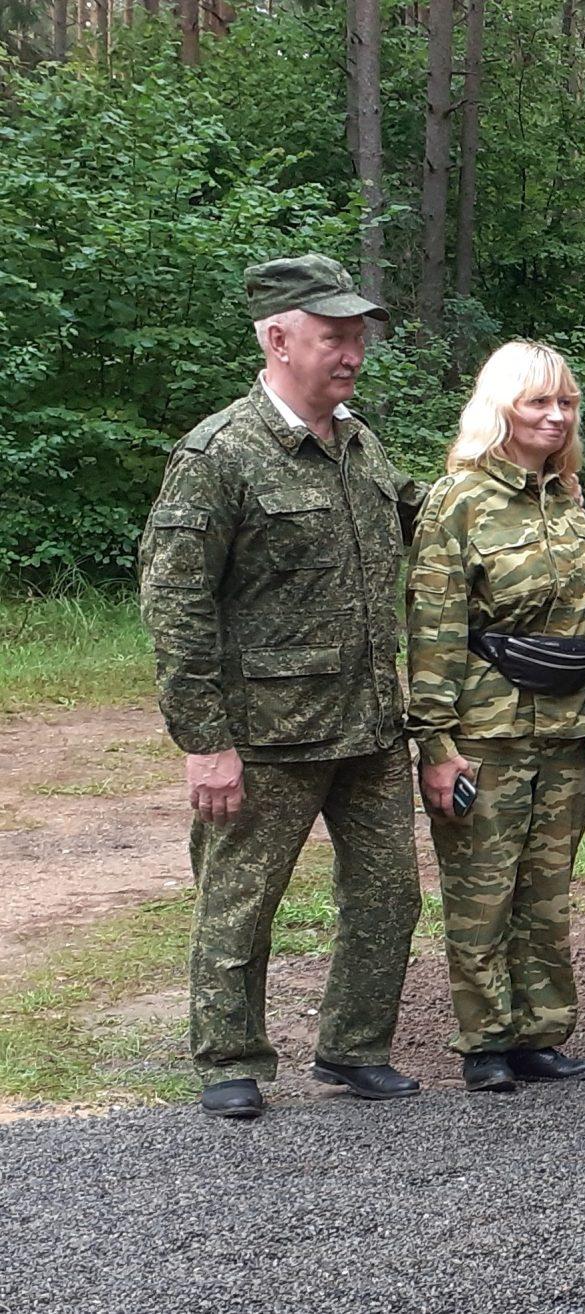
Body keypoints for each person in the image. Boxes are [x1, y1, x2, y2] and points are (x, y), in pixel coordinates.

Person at [137, 253, 424, 1120]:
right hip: (267, 733)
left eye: (356, 337)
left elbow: (429, 520)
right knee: (241, 901)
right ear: (276, 337)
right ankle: (230, 1057)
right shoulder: (220, 454)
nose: (351, 353)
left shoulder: (360, 443)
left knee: (388, 896)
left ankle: (354, 1049)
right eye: (331, 336)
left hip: (372, 725)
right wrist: (205, 742)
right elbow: (176, 604)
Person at [406, 340, 585, 1093]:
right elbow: (433, 625)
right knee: (482, 890)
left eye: (566, 403)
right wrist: (436, 742)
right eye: (539, 402)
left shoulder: (571, 497)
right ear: (503, 409)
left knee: (547, 890)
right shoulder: (458, 500)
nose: (556, 415)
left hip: (563, 727)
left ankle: (541, 1033)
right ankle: (486, 1038)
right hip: (484, 728)